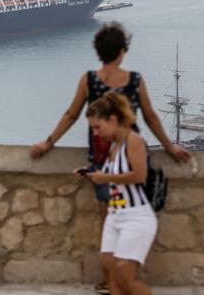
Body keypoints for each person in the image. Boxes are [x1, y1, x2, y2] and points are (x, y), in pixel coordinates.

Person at [29, 21, 189, 293]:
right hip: (133, 153)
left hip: (102, 156)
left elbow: (71, 114)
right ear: (122, 52)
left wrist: (48, 142)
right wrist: (170, 146)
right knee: (133, 209)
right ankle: (126, 277)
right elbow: (150, 116)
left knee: (109, 219)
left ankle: (111, 280)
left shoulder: (89, 79)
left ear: (99, 52)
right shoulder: (135, 80)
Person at [81, 92, 157, 295]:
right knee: (109, 269)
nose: (95, 133)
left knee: (124, 276)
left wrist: (104, 179)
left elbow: (139, 175)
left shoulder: (133, 141)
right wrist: (95, 176)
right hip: (115, 215)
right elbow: (116, 177)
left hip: (135, 217)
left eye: (98, 127)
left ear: (113, 119)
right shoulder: (114, 146)